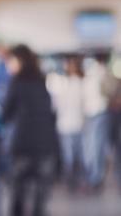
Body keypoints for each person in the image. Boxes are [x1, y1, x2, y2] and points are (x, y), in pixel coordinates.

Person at [1, 44, 60, 216]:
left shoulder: (16, 82)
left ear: (20, 60)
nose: (9, 64)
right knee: (41, 189)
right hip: (44, 142)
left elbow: (6, 113)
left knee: (18, 186)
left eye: (11, 60)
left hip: (23, 142)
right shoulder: (42, 81)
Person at [47, 56, 86, 191]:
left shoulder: (68, 84)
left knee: (70, 154)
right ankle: (74, 179)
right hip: (73, 124)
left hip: (68, 124)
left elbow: (55, 105)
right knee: (74, 154)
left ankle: (72, 180)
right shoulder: (71, 84)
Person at [82, 56, 111, 191]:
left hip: (98, 112)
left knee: (96, 146)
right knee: (93, 146)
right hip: (93, 113)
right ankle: (94, 176)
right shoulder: (92, 75)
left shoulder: (101, 74)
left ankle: (95, 177)